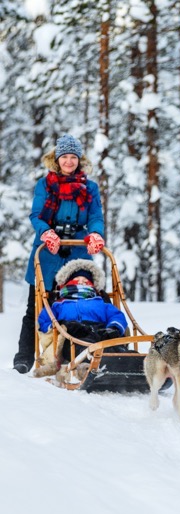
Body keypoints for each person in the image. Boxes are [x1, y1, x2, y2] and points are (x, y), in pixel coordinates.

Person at [13, 134, 105, 374]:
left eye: (73, 157)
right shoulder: (45, 185)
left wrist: (95, 234)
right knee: (37, 305)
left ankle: (84, 352)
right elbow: (37, 215)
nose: (69, 161)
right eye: (64, 156)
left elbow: (95, 216)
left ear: (79, 159)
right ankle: (24, 358)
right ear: (56, 159)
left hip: (77, 249)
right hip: (47, 252)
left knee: (83, 301)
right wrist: (47, 233)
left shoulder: (90, 187)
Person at [34, 259, 128, 377]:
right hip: (73, 336)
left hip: (101, 332)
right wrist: (61, 325)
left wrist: (113, 327)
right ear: (67, 284)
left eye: (86, 281)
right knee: (85, 346)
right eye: (77, 280)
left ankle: (132, 362)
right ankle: (88, 366)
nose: (82, 283)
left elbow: (116, 315)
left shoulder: (100, 302)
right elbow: (44, 321)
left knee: (115, 347)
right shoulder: (58, 304)